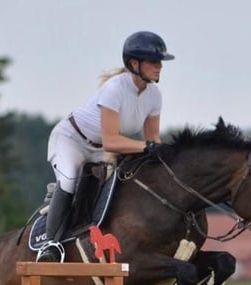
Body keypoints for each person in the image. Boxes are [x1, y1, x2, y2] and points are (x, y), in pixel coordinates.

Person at [36, 31, 175, 263]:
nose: (160, 66)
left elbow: (153, 140)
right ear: (134, 63)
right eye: (154, 61)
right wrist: (148, 147)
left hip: (101, 148)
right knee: (70, 178)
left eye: (160, 61)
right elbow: (113, 141)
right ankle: (50, 245)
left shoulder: (154, 96)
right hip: (71, 140)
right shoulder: (115, 88)